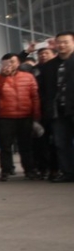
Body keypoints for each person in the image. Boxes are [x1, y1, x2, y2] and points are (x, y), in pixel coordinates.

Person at [0, 52, 40, 181]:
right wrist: (2, 77)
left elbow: (35, 96)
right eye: (7, 62)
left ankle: (29, 170)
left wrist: (36, 116)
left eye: (13, 62)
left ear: (18, 63)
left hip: (25, 115)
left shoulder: (28, 77)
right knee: (5, 146)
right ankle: (6, 170)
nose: (10, 65)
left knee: (26, 146)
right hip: (5, 116)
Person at [50, 31, 74, 182]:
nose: (62, 45)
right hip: (58, 111)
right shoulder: (50, 66)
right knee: (61, 143)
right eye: (59, 42)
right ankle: (67, 172)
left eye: (66, 42)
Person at [34, 41, 59, 179]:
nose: (43, 56)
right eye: (40, 53)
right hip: (41, 110)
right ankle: (47, 168)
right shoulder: (36, 70)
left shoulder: (60, 66)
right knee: (42, 141)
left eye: (46, 53)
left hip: (58, 109)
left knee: (58, 140)